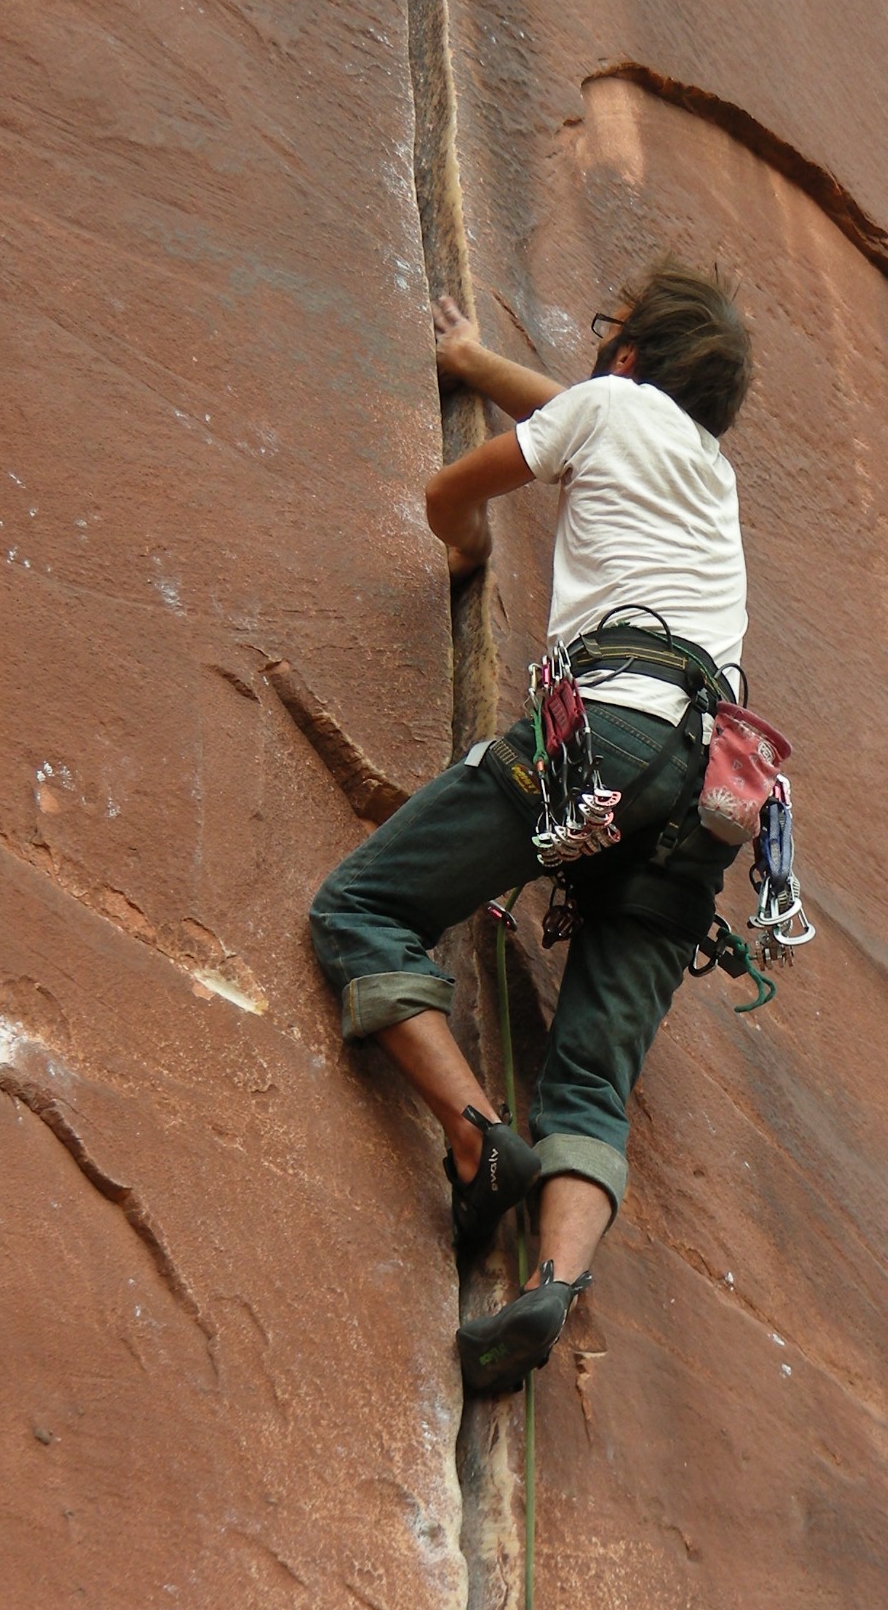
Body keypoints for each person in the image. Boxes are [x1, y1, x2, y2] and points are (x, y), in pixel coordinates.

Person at [309, 260, 753, 1394]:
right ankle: (550, 1283)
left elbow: (455, 490)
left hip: (605, 738)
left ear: (628, 357)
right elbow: (581, 409)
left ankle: (475, 1136)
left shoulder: (606, 407)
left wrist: (464, 548)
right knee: (593, 1079)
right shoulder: (710, 474)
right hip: (708, 787)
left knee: (363, 908)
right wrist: (473, 361)